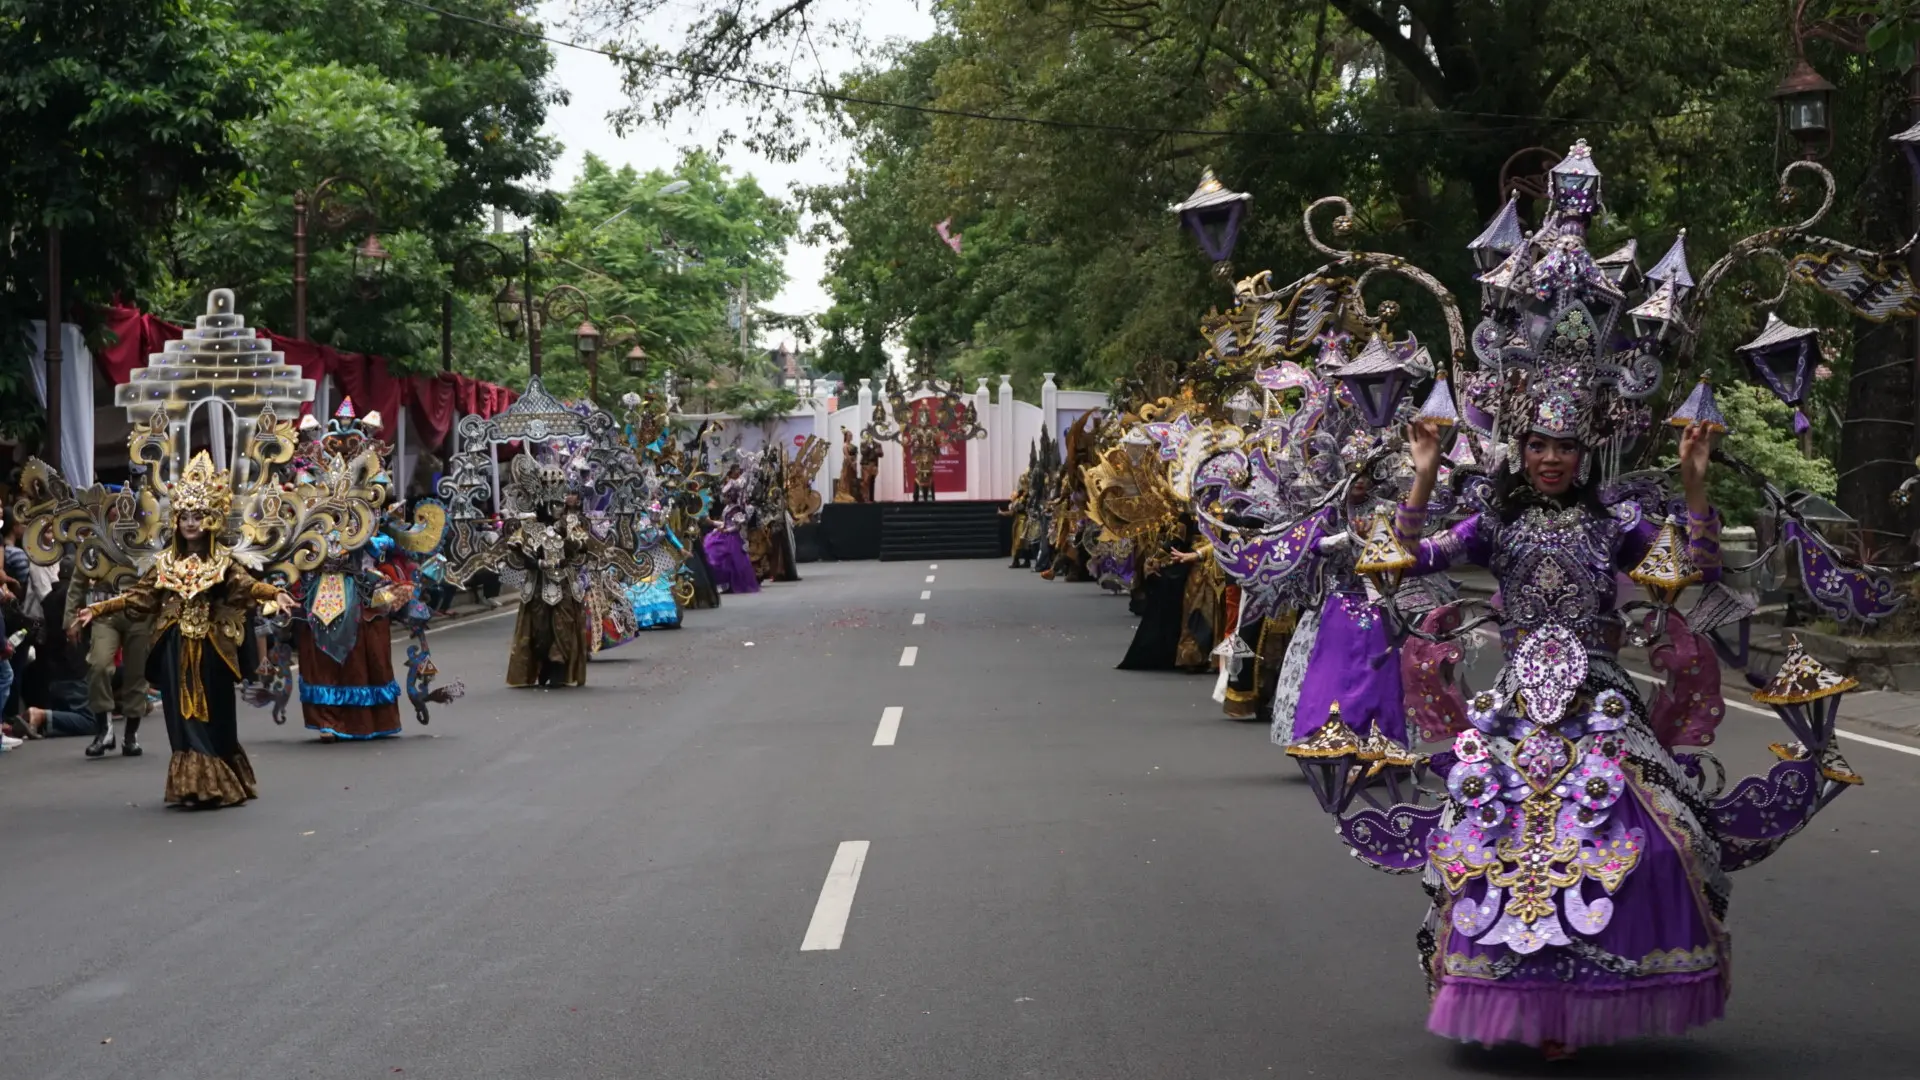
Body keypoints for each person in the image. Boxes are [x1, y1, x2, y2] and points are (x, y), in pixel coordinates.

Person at [71, 452, 292, 808]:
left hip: (211, 647)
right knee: (181, 713)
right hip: (174, 644)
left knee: (213, 712)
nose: (190, 523)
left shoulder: (221, 562)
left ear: (210, 520)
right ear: (176, 521)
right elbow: (140, 596)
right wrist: (98, 608)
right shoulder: (165, 563)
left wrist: (274, 593)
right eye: (185, 516)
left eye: (197, 516)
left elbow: (245, 585)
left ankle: (218, 779)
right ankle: (193, 785)